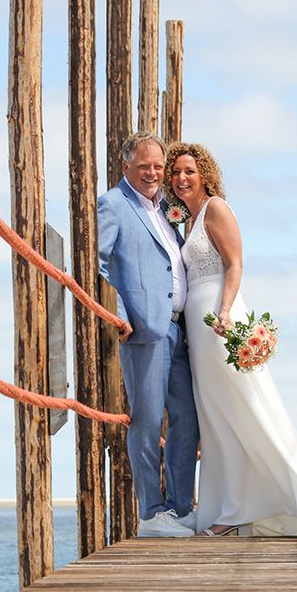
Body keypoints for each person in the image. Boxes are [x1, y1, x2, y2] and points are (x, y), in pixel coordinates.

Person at [164, 141, 297, 537]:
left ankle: (280, 500)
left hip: (219, 316)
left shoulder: (216, 208)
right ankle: (229, 507)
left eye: (189, 171)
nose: (181, 178)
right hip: (197, 328)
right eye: (176, 172)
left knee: (246, 406)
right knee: (216, 416)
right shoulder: (187, 218)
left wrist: (226, 311)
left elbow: (234, 263)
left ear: (204, 175)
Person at [97, 132, 200, 538]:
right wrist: (121, 315)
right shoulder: (113, 204)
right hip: (143, 329)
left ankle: (179, 507)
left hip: (179, 329)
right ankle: (151, 514)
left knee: (187, 418)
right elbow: (97, 264)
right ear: (126, 167)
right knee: (147, 419)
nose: (153, 173)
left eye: (158, 166)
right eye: (144, 167)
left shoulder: (168, 208)